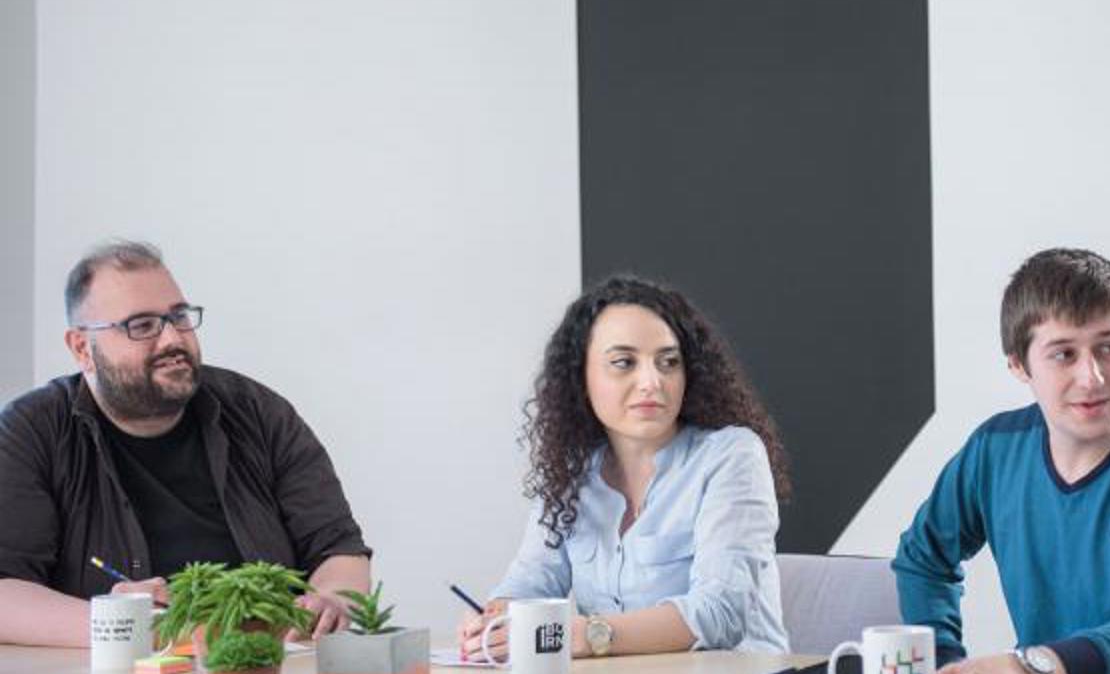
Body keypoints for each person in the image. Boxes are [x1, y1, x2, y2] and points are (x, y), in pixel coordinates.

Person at [894, 248, 1110, 674]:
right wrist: (945, 662)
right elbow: (923, 557)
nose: (1092, 377)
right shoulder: (995, 449)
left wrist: (1033, 666)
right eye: (1064, 354)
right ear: (1018, 365)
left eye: (1108, 348)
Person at [0, 241, 372, 646]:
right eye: (141, 326)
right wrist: (137, 626)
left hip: (265, 662)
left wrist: (333, 600)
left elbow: (337, 548)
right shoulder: (30, 432)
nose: (172, 340)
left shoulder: (260, 412)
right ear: (81, 349)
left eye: (178, 317)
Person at [457, 275, 791, 660]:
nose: (651, 381)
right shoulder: (572, 472)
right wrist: (497, 620)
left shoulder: (732, 454)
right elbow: (531, 579)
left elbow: (719, 613)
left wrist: (589, 635)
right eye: (623, 363)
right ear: (581, 377)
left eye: (668, 362)